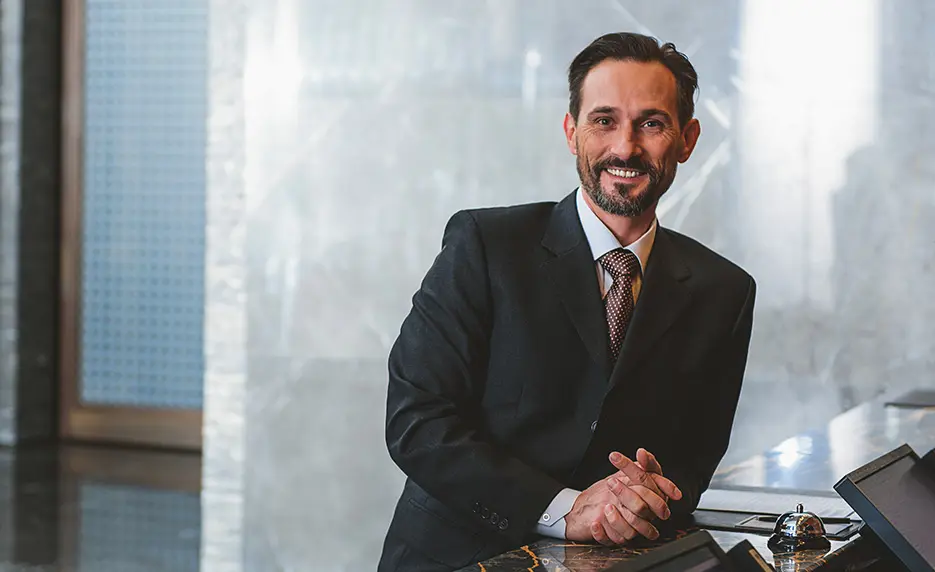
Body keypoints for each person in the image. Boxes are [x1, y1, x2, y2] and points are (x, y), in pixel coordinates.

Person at [378, 32, 756, 571]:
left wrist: (645, 498)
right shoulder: (485, 246)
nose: (625, 147)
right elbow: (417, 422)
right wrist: (564, 508)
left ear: (687, 139)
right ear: (570, 131)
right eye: (604, 120)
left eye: (651, 123)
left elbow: (693, 460)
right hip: (459, 558)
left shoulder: (725, 292)